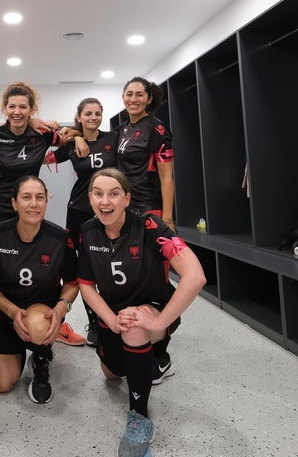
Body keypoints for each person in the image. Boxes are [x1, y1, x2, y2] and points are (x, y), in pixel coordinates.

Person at [77, 168, 205, 457]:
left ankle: (140, 418)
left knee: (135, 326)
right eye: (98, 193)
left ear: (127, 198)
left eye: (113, 193)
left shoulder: (150, 226)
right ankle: (155, 360)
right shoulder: (87, 231)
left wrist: (159, 319)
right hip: (114, 317)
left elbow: (195, 276)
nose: (105, 201)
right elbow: (86, 285)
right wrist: (109, 320)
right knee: (113, 374)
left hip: (152, 309)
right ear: (90, 198)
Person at [0, 176, 78, 404]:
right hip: (6, 312)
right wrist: (11, 312)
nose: (34, 204)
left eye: (40, 197)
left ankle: (40, 359)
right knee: (3, 384)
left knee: (37, 326)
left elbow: (72, 282)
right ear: (14, 203)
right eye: (26, 197)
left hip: (41, 312)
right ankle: (19, 348)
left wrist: (61, 308)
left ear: (47, 201)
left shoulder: (60, 238)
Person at [46, 97, 119, 347]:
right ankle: (94, 324)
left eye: (98, 113)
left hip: (108, 211)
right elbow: (44, 159)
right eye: (88, 113)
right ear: (79, 117)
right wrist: (73, 136)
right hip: (78, 211)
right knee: (84, 268)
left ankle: (113, 316)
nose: (94, 117)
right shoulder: (71, 145)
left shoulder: (112, 138)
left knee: (108, 265)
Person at [0, 82, 66, 223]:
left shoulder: (43, 134)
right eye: (12, 106)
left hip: (27, 205)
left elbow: (68, 142)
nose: (17, 112)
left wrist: (77, 139)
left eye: (23, 107)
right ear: (5, 109)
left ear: (31, 110)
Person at [115, 77, 175, 230]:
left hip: (149, 208)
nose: (133, 99)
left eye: (139, 95)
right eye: (129, 94)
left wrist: (167, 219)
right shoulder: (124, 128)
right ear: (123, 97)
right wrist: (76, 134)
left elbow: (166, 177)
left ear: (149, 99)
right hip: (126, 206)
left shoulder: (156, 129)